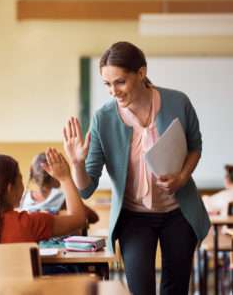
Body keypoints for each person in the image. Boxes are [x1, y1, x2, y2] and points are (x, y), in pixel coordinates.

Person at [63, 41, 210, 295]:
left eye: (120, 82)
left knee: (175, 289)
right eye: (107, 84)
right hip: (134, 217)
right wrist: (76, 164)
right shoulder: (103, 118)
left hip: (179, 212)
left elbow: (195, 147)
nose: (113, 91)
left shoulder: (178, 102)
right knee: (140, 289)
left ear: (141, 73)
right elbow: (87, 189)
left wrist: (182, 177)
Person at [19, 152, 99, 225]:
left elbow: (92, 217)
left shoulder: (23, 198)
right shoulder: (62, 197)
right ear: (53, 174)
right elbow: (92, 217)